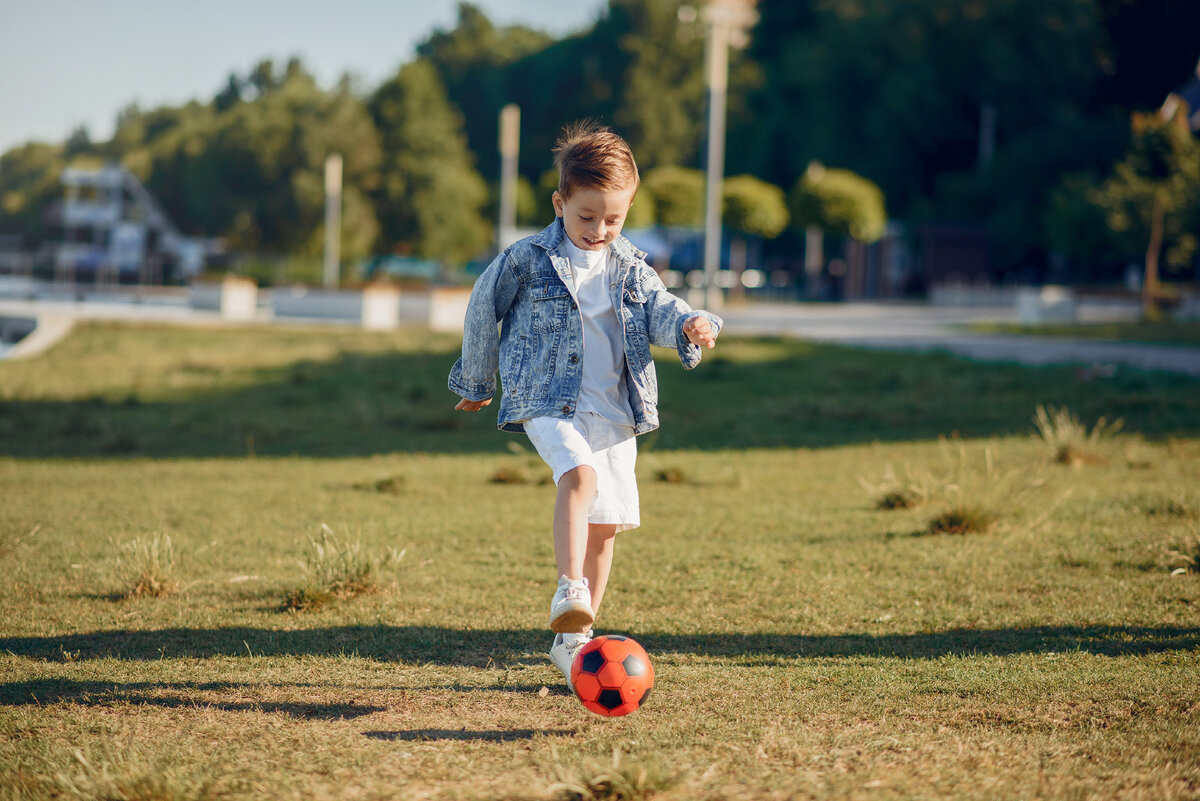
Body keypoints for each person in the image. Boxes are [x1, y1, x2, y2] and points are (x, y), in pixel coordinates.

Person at [448, 121, 722, 688]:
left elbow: (662, 310)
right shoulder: (527, 259)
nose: (599, 230)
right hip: (547, 399)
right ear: (560, 203)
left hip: (615, 410)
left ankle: (574, 641)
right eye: (586, 216)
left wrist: (694, 325)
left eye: (613, 218)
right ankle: (569, 588)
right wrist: (476, 380)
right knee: (579, 475)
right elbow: (482, 307)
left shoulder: (632, 267)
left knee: (607, 527)